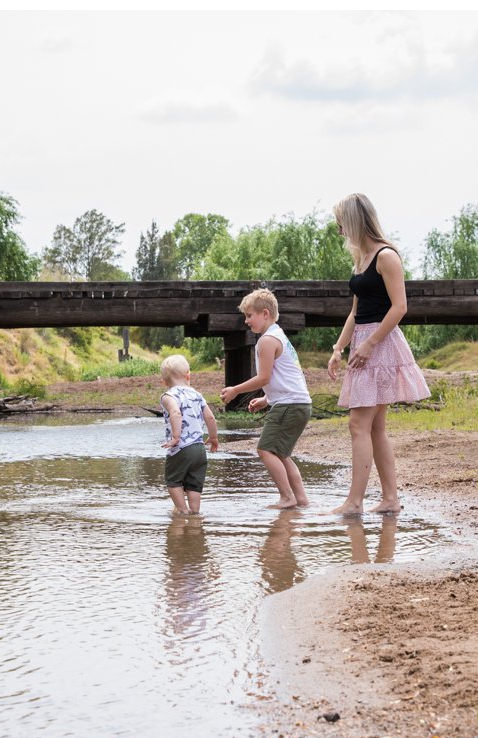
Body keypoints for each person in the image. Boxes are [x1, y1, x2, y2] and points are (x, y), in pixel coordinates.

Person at [326, 193, 431, 516]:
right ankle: (389, 499)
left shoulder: (387, 257)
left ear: (356, 221)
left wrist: (370, 344)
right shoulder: (360, 258)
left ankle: (354, 502)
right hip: (361, 341)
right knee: (374, 427)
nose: (339, 230)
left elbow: (400, 307)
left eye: (341, 223)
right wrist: (338, 348)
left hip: (380, 344)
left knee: (359, 425)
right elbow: (355, 312)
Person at [221, 288, 313, 510]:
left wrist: (235, 390)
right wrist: (266, 399)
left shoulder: (267, 341)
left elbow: (263, 377)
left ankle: (287, 497)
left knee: (265, 450)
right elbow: (284, 377)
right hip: (300, 403)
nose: (246, 321)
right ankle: (301, 500)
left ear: (264, 313)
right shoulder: (279, 335)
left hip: (290, 406)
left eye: (249, 315)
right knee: (281, 453)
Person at [158, 354, 220, 515]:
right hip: (199, 448)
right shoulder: (197, 395)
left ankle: (183, 511)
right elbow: (210, 417)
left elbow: (175, 413)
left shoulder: (168, 396)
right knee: (194, 483)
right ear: (188, 375)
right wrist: (213, 438)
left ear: (164, 381)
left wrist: (176, 437)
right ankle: (195, 512)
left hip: (180, 448)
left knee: (173, 481)